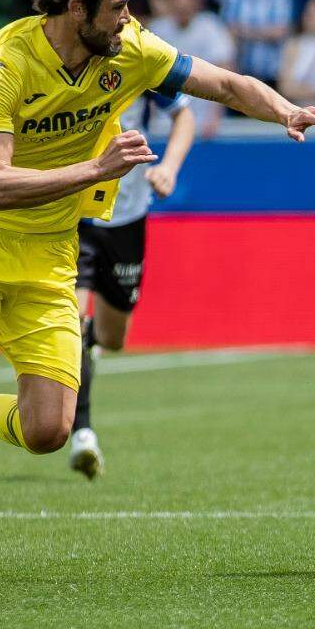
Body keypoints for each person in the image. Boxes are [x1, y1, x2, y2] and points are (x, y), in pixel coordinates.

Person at [0, 0, 315, 582]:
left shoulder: (128, 52)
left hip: (48, 255)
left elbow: (225, 84)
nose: (129, 19)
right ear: (77, 7)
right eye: (119, 7)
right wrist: (94, 168)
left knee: (48, 431)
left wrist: (284, 110)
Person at [68, 60, 200, 479]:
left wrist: (169, 169)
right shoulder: (65, 67)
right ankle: (82, 432)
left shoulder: (140, 67)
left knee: (111, 337)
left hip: (127, 219)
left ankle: (89, 346)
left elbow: (185, 117)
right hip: (75, 217)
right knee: (71, 321)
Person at [148, 0, 235, 136]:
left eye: (187, 6)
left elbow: (225, 70)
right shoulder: (156, 29)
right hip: (164, 120)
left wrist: (214, 115)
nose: (183, 9)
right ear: (170, 4)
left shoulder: (211, 26)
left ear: (195, 3)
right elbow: (146, 76)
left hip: (204, 120)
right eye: (178, 6)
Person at [222, 0, 294, 85]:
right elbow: (228, 30)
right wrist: (264, 32)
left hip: (272, 75)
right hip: (240, 72)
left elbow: (280, 32)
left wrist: (244, 31)